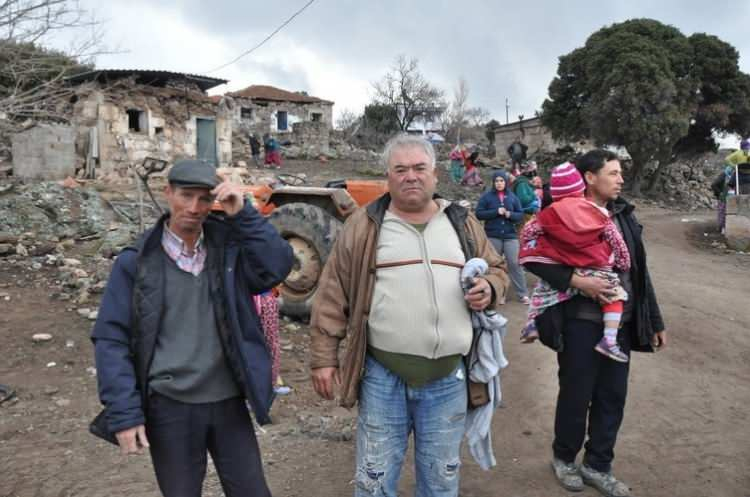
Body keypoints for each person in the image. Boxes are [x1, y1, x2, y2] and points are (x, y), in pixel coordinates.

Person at [309, 134, 509, 497]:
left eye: (419, 168)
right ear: (388, 176)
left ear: (434, 174)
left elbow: (498, 268)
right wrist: (324, 359)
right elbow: (331, 292)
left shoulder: (461, 222)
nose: (411, 176)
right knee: (375, 481)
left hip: (448, 378)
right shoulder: (364, 224)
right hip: (383, 378)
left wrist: (491, 287)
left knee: (440, 482)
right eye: (400, 169)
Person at [91, 159, 294, 497]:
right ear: (168, 192)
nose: (194, 208)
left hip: (228, 400)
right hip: (171, 406)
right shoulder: (137, 262)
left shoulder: (229, 251)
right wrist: (124, 414)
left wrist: (242, 214)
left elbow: (278, 265)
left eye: (204, 199)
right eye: (185, 196)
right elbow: (111, 338)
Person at [524, 150, 666, 497]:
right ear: (590, 177)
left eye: (621, 173)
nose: (621, 179)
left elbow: (638, 270)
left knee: (612, 396)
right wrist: (578, 281)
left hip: (621, 323)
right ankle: (564, 458)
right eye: (613, 173)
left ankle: (598, 465)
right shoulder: (559, 213)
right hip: (579, 323)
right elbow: (535, 258)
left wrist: (655, 319)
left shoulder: (623, 214)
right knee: (576, 394)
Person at [518, 163, 631, 363]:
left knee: (542, 292)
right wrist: (623, 262)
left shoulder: (548, 214)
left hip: (566, 267)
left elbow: (527, 233)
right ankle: (609, 340)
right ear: (581, 188)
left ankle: (532, 325)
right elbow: (615, 239)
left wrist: (529, 242)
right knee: (615, 297)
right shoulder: (596, 211)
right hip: (595, 268)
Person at [475, 170, 529, 304]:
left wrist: (510, 214)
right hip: (493, 235)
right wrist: (495, 212)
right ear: (493, 183)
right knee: (495, 265)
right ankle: (500, 293)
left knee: (514, 264)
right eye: (497, 181)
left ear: (506, 182)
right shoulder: (487, 197)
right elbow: (479, 214)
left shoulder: (512, 197)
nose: (499, 183)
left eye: (502, 181)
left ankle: (522, 294)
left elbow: (520, 214)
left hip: (510, 236)